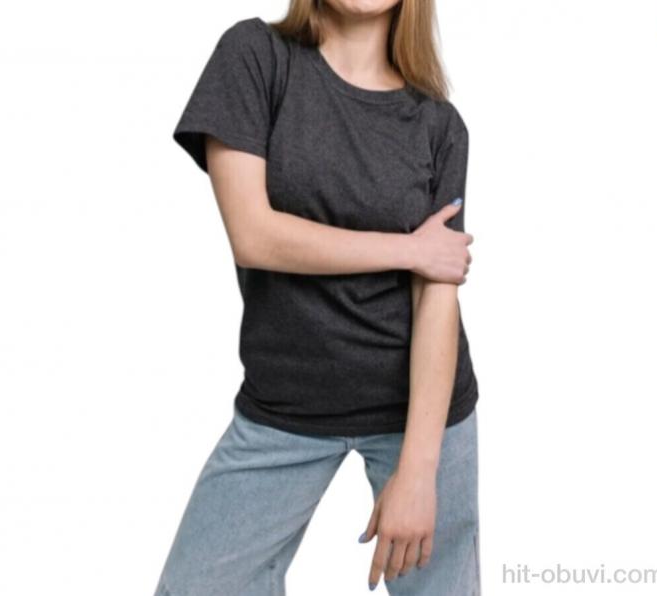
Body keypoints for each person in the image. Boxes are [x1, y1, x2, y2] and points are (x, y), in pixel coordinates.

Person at [153, 1, 480, 594]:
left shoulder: (439, 124)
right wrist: (407, 249)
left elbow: (438, 291)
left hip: (422, 411)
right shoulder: (256, 56)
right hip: (286, 403)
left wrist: (419, 469)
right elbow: (254, 236)